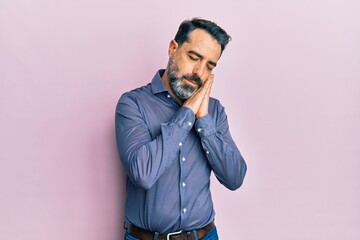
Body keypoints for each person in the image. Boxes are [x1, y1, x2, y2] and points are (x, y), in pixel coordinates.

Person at [115, 18, 247, 240]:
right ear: (173, 48)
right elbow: (143, 174)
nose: (198, 71)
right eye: (193, 57)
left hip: (205, 236)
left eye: (209, 65)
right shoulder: (132, 104)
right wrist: (187, 114)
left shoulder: (214, 111)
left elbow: (234, 178)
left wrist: (203, 120)